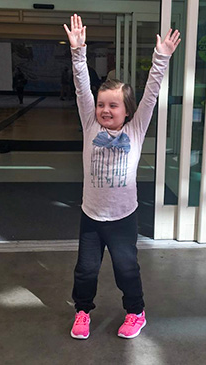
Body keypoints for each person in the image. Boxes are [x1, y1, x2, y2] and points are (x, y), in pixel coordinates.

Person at [64, 14, 180, 340]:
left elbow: (152, 93)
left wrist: (161, 58)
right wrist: (78, 52)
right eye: (101, 104)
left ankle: (136, 311)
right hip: (91, 216)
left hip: (123, 218)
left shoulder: (136, 128)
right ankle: (83, 311)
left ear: (127, 111)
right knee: (85, 270)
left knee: (126, 269)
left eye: (113, 106)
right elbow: (81, 86)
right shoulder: (90, 125)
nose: (105, 110)